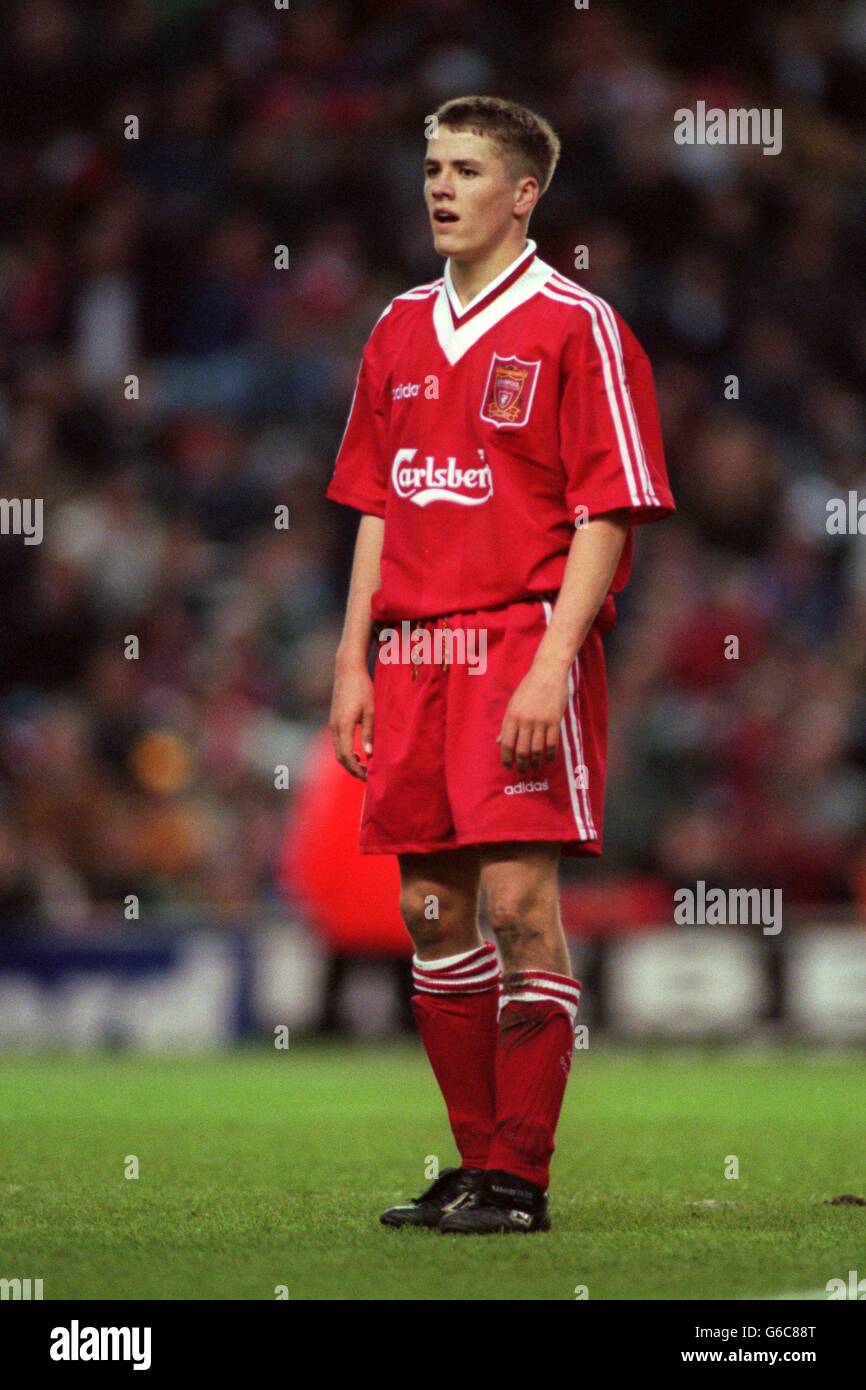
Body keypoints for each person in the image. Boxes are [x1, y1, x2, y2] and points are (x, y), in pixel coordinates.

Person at [326, 95, 674, 1234]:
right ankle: (473, 1165)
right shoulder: (393, 327)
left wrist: (551, 662)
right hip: (412, 652)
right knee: (430, 910)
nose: (440, 186)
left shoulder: (578, 325)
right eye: (431, 165)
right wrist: (352, 660)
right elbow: (375, 507)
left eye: (466, 169)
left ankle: (521, 1174)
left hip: (520, 644)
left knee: (521, 903)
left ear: (523, 193)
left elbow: (608, 512)